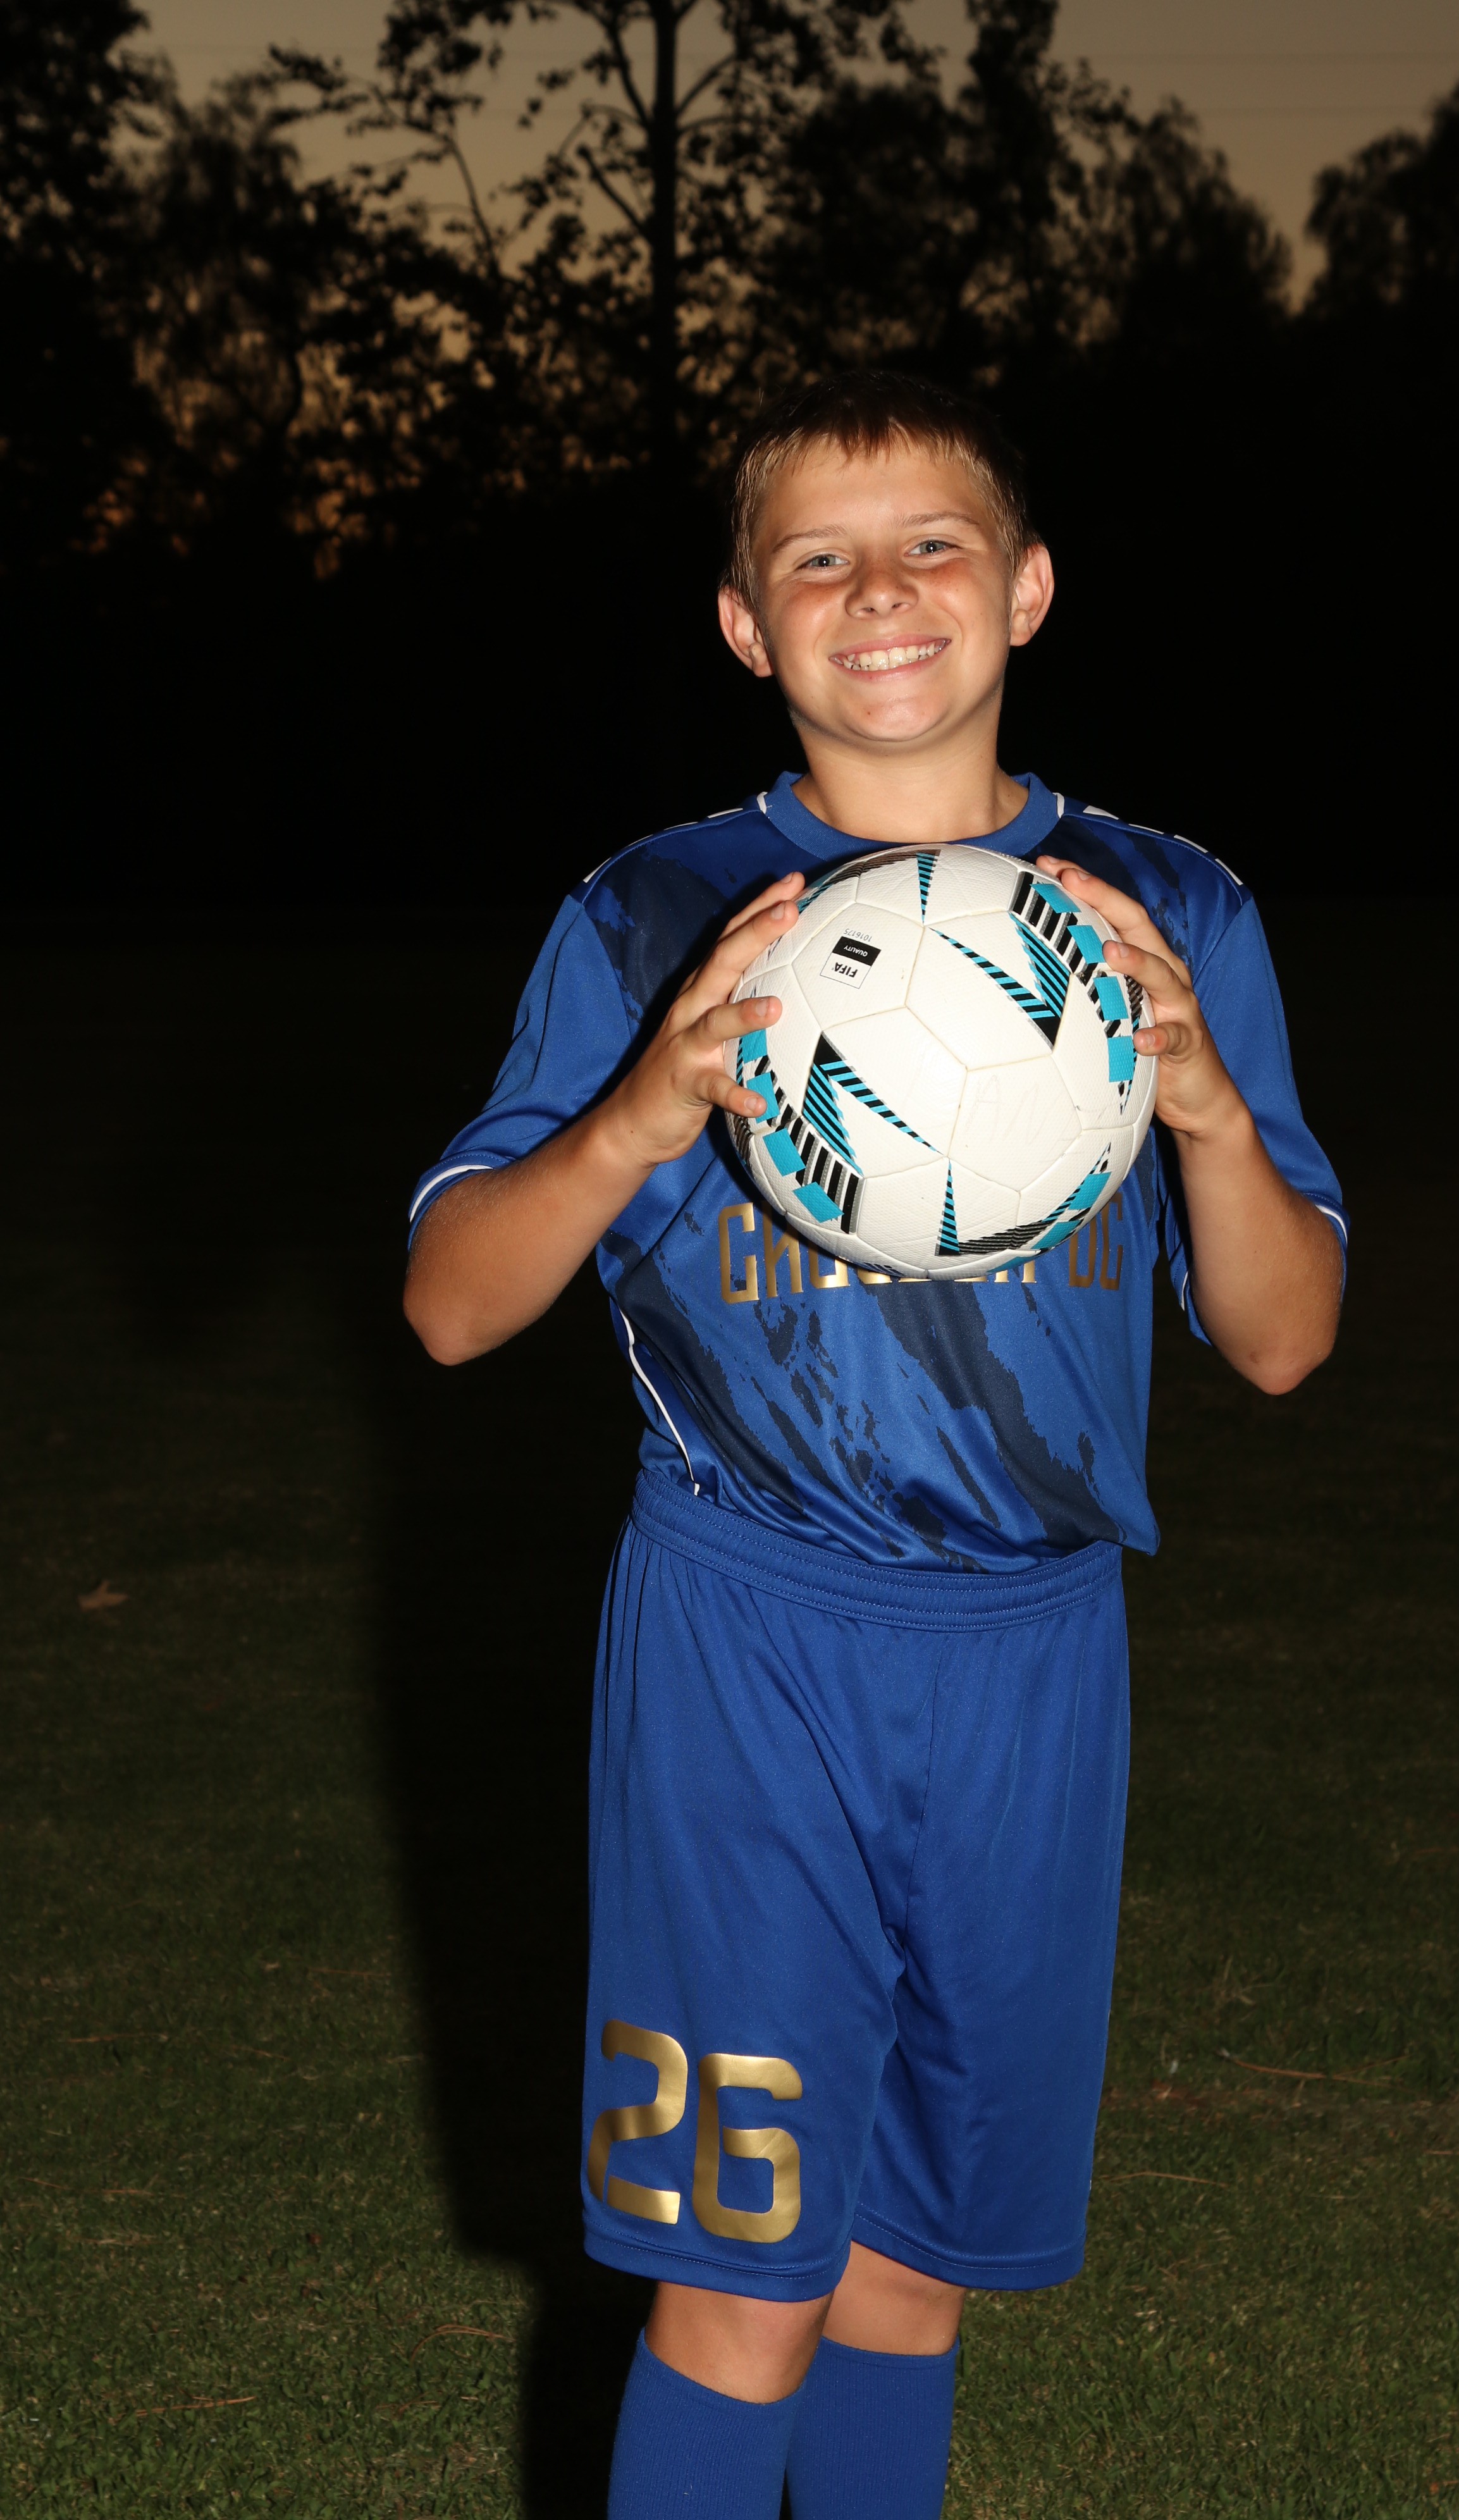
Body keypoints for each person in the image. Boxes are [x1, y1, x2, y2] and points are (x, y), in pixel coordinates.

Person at [403, 370, 1346, 2520]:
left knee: (914, 2274)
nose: (881, 592)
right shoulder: (657, 914)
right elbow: (452, 1305)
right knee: (744, 2286)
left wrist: (1203, 1109)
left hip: (1035, 1650)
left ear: (1028, 588)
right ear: (747, 624)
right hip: (749, 1643)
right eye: (816, 559)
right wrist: (644, 1110)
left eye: (933, 544)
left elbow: (1287, 1344)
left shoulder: (1164, 911)